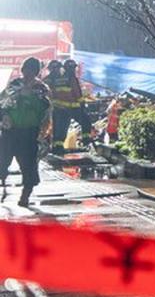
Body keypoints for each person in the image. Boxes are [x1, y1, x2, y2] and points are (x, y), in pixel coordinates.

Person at [0, 57, 51, 206]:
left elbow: (45, 111)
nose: (28, 73)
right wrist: (4, 117)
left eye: (32, 70)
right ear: (22, 70)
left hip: (29, 133)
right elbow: (2, 103)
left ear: (36, 72)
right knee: (2, 161)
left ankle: (25, 195)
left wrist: (30, 97)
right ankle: (3, 184)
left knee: (28, 165)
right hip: (10, 132)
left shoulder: (41, 89)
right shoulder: (13, 85)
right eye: (26, 70)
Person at [46, 58, 90, 152]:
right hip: (72, 107)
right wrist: (82, 103)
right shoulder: (71, 78)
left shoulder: (54, 79)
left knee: (59, 128)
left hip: (58, 108)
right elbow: (77, 92)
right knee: (86, 121)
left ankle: (56, 147)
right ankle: (86, 141)